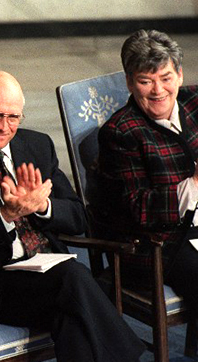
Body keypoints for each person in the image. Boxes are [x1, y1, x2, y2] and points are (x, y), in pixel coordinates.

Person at [0, 71, 145, 362]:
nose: (4, 126)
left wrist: (42, 206)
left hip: (49, 274)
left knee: (73, 317)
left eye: (13, 117)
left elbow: (78, 217)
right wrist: (4, 215)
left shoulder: (37, 146)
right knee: (76, 279)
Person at [97, 29, 198, 312]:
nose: (158, 91)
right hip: (158, 245)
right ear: (129, 83)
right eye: (145, 81)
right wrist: (195, 183)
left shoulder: (194, 102)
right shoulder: (121, 132)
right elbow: (139, 208)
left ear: (179, 74)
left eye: (166, 78)